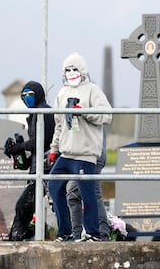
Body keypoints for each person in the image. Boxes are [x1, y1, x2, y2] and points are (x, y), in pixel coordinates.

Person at [48, 52, 113, 242]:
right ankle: (65, 231)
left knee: (87, 193)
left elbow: (107, 116)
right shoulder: (62, 94)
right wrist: (54, 150)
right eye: (67, 70)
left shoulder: (93, 90)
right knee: (54, 186)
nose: (71, 73)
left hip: (85, 154)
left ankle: (93, 232)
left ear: (82, 70)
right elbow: (59, 125)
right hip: (66, 153)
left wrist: (84, 112)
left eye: (74, 69)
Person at [7, 80, 55, 241]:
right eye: (24, 95)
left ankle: (15, 238)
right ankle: (15, 237)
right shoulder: (34, 114)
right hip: (38, 168)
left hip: (48, 167)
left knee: (25, 205)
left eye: (31, 94)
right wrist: (18, 153)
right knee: (25, 206)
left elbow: (42, 142)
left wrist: (21, 146)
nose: (27, 98)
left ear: (39, 95)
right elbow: (34, 151)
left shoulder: (45, 112)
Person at [66, 127, 111, 241]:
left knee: (93, 195)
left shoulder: (90, 110)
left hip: (91, 155)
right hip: (85, 154)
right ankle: (77, 235)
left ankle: (102, 235)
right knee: (73, 195)